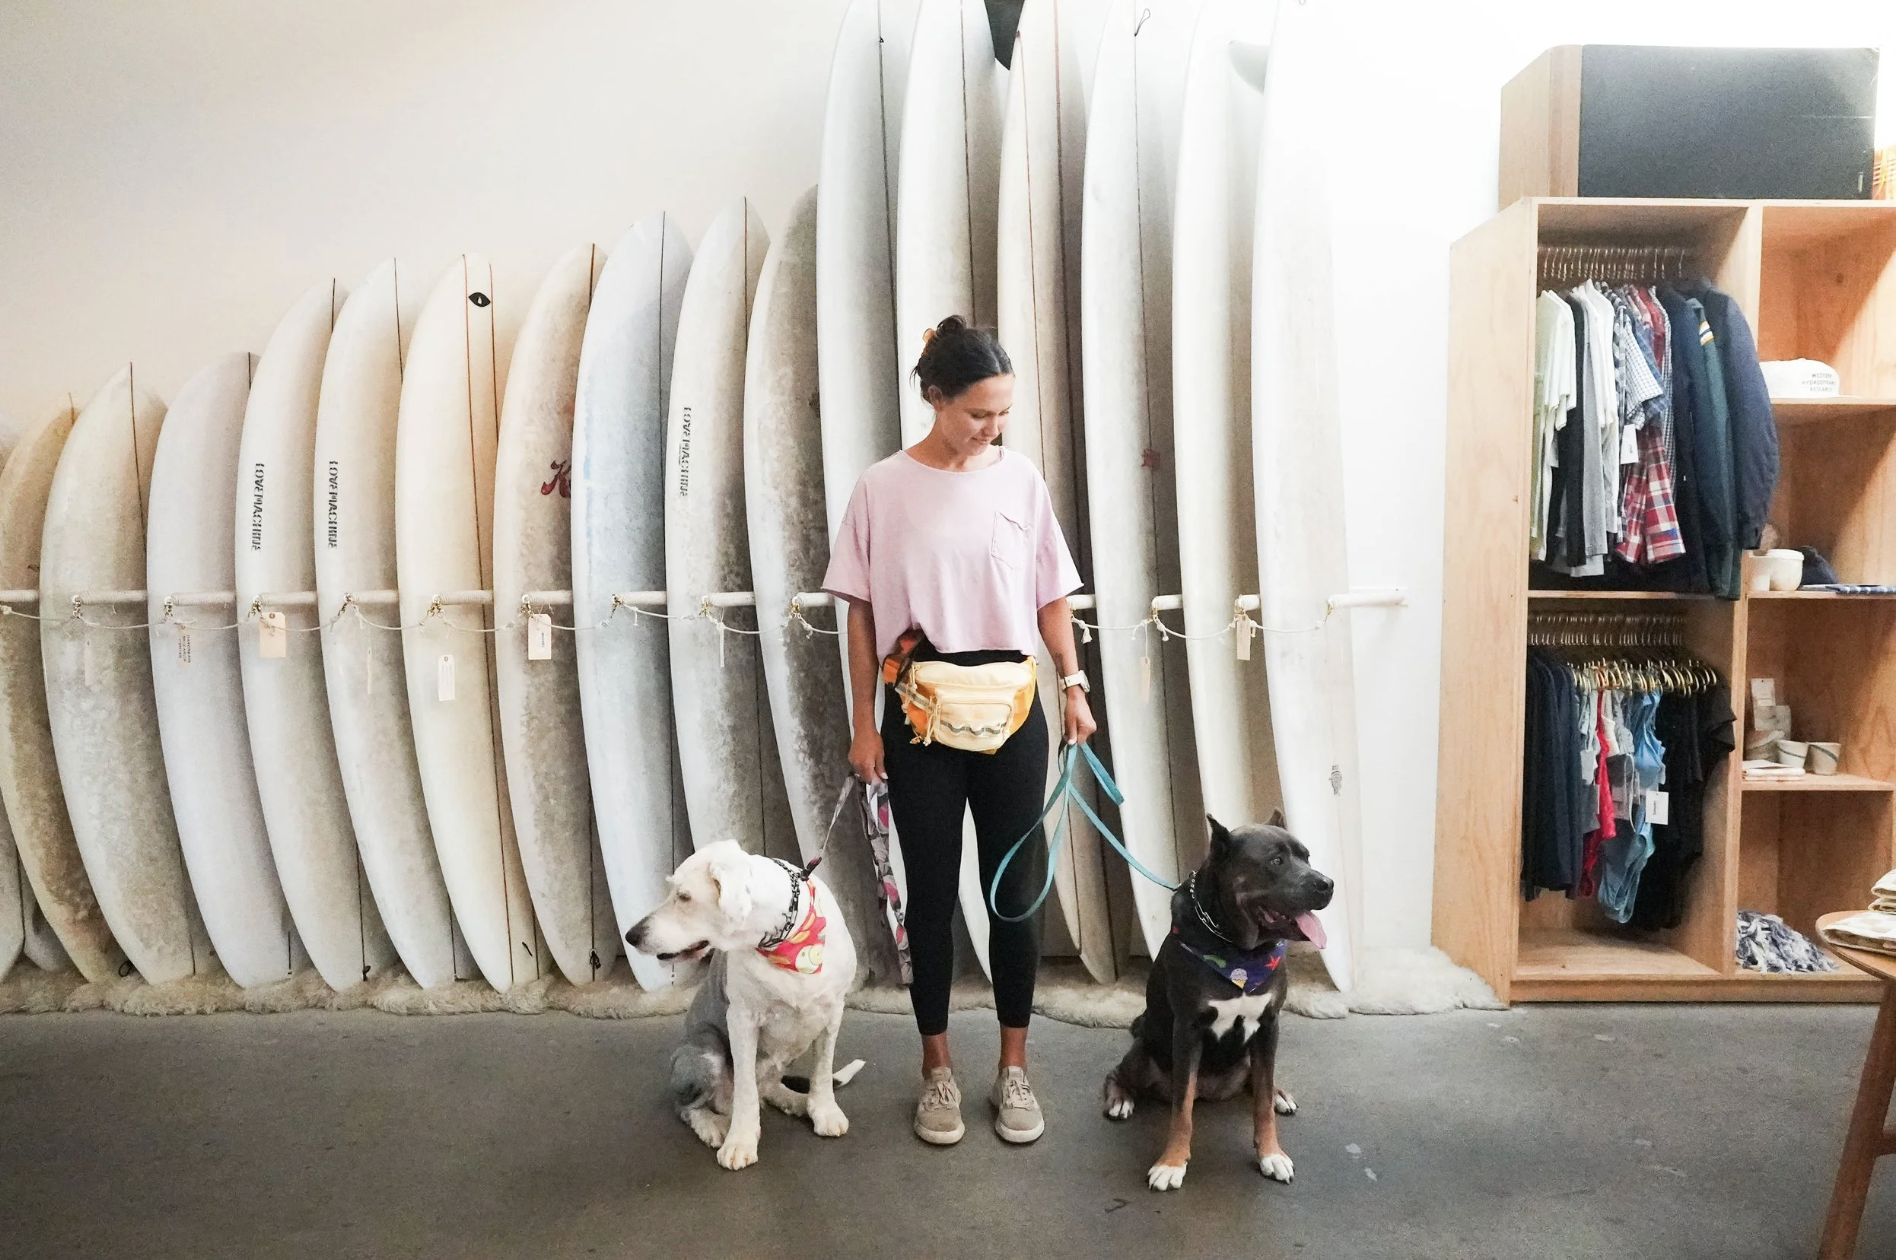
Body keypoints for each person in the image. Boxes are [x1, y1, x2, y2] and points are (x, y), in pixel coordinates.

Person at [822, 315, 1097, 1147]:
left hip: (1012, 710)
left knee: (1014, 898)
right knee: (932, 899)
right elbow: (862, 618)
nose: (993, 427)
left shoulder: (1021, 481)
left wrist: (1074, 684)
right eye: (979, 411)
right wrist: (864, 726)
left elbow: (1052, 593)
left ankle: (1014, 1065)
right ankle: (936, 1068)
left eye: (1003, 412)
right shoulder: (881, 487)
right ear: (935, 397)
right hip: (917, 716)